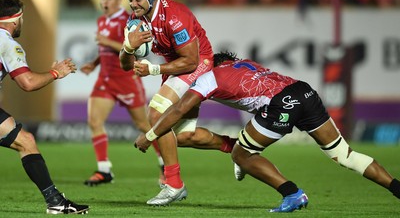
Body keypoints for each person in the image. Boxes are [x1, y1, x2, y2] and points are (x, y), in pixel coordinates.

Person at [134, 51, 400, 212]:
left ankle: (293, 194)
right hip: (304, 91)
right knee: (344, 155)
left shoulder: (209, 77)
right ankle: (396, 188)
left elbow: (179, 109)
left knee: (241, 154)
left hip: (282, 104)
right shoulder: (244, 63)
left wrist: (149, 135)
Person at [120, 0, 236, 205]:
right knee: (181, 136)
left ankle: (173, 184)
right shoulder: (136, 20)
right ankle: (237, 148)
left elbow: (191, 61)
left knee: (157, 113)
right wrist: (128, 47)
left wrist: (154, 69)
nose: (133, 4)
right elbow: (126, 65)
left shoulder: (174, 16)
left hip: (198, 63)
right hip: (175, 67)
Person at [0, 0, 89, 214]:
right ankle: (56, 202)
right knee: (26, 142)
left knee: (26, 141)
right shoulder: (7, 44)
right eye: (23, 18)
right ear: (16, 19)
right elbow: (28, 83)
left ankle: (55, 201)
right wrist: (55, 72)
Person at [80, 0, 161, 186]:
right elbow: (106, 51)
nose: (104, 2)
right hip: (105, 80)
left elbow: (136, 48)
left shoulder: (129, 20)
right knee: (94, 121)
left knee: (144, 125)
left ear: (117, 0)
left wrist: (107, 42)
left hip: (126, 79)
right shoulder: (102, 21)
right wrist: (94, 63)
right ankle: (104, 170)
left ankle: (164, 163)